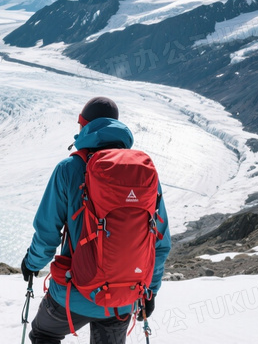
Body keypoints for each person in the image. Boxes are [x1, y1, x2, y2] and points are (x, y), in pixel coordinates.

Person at [21, 96, 171, 344]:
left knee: (44, 333)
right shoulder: (143, 173)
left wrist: (32, 263)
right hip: (124, 297)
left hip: (75, 291)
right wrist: (149, 291)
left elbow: (47, 233)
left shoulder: (69, 169)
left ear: (84, 126)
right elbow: (160, 242)